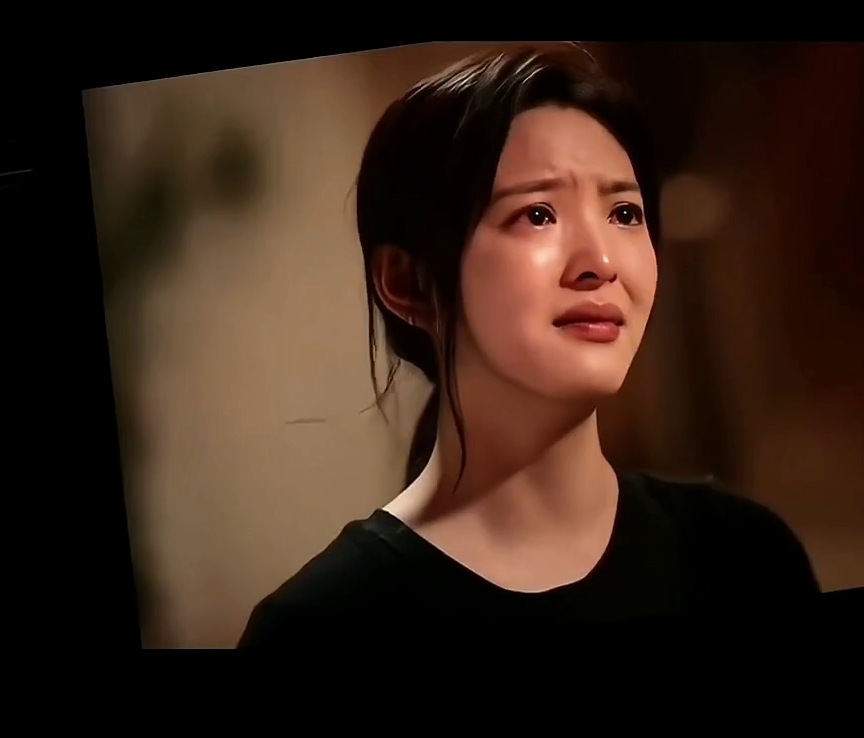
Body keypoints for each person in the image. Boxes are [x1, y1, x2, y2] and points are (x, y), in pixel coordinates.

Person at [238, 44, 819, 641]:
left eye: (624, 213)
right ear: (408, 282)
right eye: (538, 214)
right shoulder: (324, 624)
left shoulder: (744, 556)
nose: (600, 263)